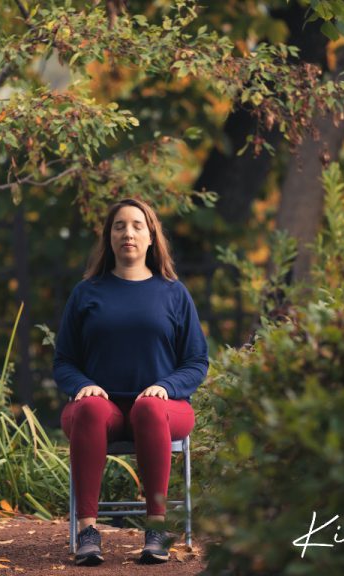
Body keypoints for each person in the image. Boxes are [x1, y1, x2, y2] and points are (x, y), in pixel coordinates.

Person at [53, 197, 209, 566]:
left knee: (149, 408)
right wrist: (81, 384)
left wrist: (166, 387)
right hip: (102, 410)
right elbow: (63, 361)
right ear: (109, 237)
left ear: (152, 237)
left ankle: (156, 530)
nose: (128, 233)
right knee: (89, 407)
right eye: (119, 226)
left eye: (138, 225)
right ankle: (88, 532)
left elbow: (196, 361)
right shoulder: (86, 293)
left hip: (163, 409)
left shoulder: (173, 293)